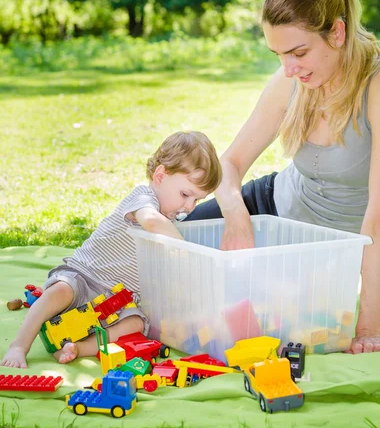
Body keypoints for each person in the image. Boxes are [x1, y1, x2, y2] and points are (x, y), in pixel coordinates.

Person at [186, 0, 380, 355]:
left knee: (265, 320)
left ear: (337, 32)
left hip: (328, 248)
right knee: (174, 248)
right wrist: (237, 219)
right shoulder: (292, 79)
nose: (288, 69)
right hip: (269, 207)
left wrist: (368, 327)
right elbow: (229, 163)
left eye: (298, 53)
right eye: (279, 55)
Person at [1, 131, 222, 368]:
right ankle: (19, 345)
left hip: (118, 300)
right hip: (85, 277)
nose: (189, 207)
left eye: (197, 200)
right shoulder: (143, 199)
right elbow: (151, 222)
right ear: (160, 176)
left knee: (137, 324)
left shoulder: (172, 223)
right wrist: (186, 250)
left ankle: (79, 349)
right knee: (61, 290)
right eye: (186, 194)